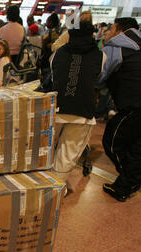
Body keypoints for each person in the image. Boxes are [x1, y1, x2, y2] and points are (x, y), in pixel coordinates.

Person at [50, 21, 105, 195]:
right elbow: (97, 78)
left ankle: (41, 184)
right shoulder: (100, 56)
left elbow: (54, 75)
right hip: (83, 111)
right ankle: (55, 189)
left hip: (56, 109)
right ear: (92, 35)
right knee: (68, 152)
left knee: (48, 148)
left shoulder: (58, 53)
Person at [98, 18, 141, 202]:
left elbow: (99, 75)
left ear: (119, 30)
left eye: (111, 28)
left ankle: (130, 178)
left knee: (112, 140)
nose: (108, 32)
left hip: (133, 105)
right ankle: (124, 185)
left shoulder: (117, 48)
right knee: (137, 147)